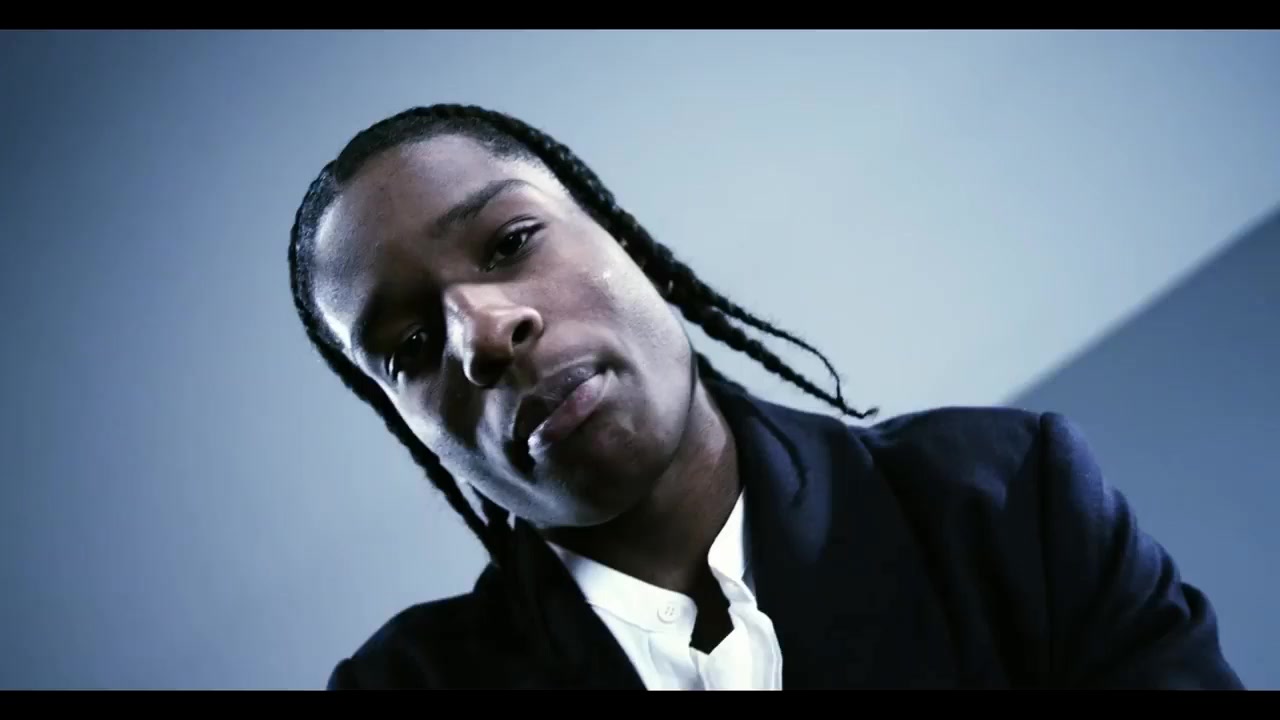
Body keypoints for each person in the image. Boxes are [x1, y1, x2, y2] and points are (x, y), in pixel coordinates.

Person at [288, 103, 1243, 690]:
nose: (485, 334)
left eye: (510, 243)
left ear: (622, 238)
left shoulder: (1002, 502)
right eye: (410, 346)